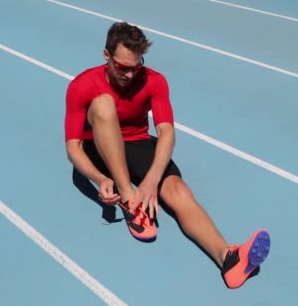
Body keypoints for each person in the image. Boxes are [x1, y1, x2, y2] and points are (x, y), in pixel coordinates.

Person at [64, 21, 270, 289]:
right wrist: (98, 178)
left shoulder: (154, 81)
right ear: (106, 56)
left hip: (136, 143)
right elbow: (73, 147)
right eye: (122, 68)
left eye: (136, 67)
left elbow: (166, 133)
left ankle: (229, 259)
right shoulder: (82, 85)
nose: (129, 75)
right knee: (104, 103)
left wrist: (151, 181)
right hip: (96, 148)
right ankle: (129, 199)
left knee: (178, 191)